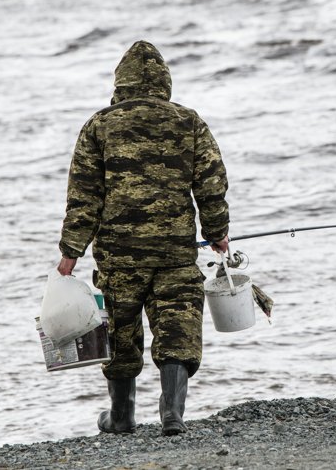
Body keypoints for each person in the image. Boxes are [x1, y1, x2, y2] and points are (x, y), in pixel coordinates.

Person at [56, 40, 230, 436]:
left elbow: (83, 196)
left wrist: (70, 251)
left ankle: (122, 417)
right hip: (174, 250)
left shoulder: (100, 125)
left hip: (119, 255)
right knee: (177, 324)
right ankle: (173, 415)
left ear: (122, 82)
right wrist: (217, 233)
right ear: (165, 82)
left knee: (119, 331)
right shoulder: (189, 122)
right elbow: (211, 183)